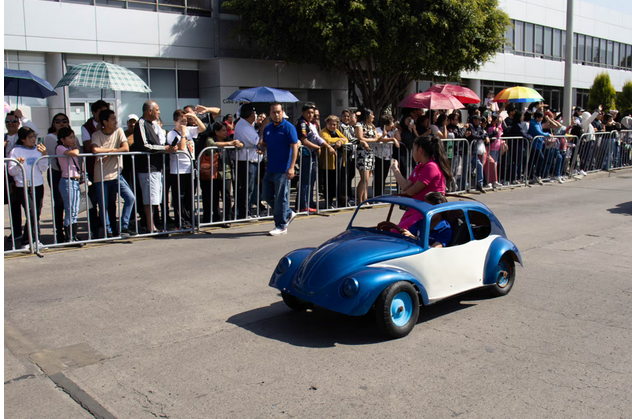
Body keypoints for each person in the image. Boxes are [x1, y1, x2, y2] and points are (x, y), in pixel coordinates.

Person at [389, 136, 453, 231]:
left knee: (398, 232)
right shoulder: (420, 166)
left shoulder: (431, 167)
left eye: (414, 148)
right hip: (416, 208)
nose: (412, 151)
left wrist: (407, 190)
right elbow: (405, 186)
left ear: (420, 150)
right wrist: (395, 169)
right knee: (394, 231)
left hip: (427, 210)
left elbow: (412, 191)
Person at [132, 100, 176, 233]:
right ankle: (151, 226)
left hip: (156, 167)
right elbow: (145, 145)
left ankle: (152, 224)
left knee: (155, 198)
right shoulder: (141, 123)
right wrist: (164, 149)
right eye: (157, 110)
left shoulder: (152, 125)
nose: (159, 112)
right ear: (149, 111)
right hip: (147, 167)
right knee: (149, 198)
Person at [91, 109, 137, 237]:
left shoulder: (119, 131)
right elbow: (95, 149)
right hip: (101, 176)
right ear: (105, 122)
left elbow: (125, 148)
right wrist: (112, 150)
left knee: (130, 197)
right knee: (104, 205)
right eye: (112, 119)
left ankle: (124, 226)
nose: (116, 121)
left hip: (117, 174)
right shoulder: (96, 135)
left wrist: (107, 151)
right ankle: (108, 231)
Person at [259, 102, 299, 236]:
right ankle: (288, 213)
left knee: (281, 198)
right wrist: (260, 147)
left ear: (282, 112)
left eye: (279, 112)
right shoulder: (268, 128)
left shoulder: (289, 127)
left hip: (283, 169)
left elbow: (295, 147)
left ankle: (281, 225)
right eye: (274, 112)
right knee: (266, 196)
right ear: (270, 114)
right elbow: (265, 143)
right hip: (270, 168)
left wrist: (291, 167)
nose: (276, 114)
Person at [7, 127, 49, 249]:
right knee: (31, 213)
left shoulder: (38, 150)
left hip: (38, 185)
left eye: (33, 137)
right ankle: (29, 241)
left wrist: (44, 155)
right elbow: (11, 171)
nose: (33, 140)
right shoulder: (16, 151)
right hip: (24, 185)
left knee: (36, 214)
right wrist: (18, 165)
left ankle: (32, 240)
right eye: (30, 137)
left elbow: (43, 168)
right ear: (22, 139)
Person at [4, 110, 40, 246]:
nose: (10, 124)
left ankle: (28, 235)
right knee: (13, 205)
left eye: (13, 121)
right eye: (7, 121)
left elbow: (35, 132)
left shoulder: (23, 136)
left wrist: (22, 117)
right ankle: (17, 231)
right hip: (9, 173)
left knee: (30, 208)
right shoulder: (4, 137)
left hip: (22, 174)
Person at [198, 122, 243, 224]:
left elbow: (240, 145)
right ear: (216, 131)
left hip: (226, 172)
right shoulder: (211, 139)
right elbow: (212, 145)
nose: (225, 132)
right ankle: (215, 217)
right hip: (212, 173)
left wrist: (239, 144)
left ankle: (227, 218)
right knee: (213, 197)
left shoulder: (228, 139)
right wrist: (229, 144)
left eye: (226, 130)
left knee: (227, 196)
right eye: (223, 130)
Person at [294, 102, 334, 213]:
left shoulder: (310, 124)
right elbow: (304, 140)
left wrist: (327, 146)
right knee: (305, 182)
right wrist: (317, 148)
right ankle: (303, 205)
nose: (311, 115)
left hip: (311, 155)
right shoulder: (302, 123)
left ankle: (308, 202)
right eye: (309, 113)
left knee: (311, 181)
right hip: (306, 155)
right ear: (303, 113)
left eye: (313, 113)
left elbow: (317, 137)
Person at [167, 109, 203, 229]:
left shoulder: (188, 130)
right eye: (181, 121)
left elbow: (202, 128)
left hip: (189, 168)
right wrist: (182, 133)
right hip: (178, 169)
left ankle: (189, 219)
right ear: (175, 121)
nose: (184, 124)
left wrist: (194, 117)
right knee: (179, 197)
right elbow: (181, 147)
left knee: (189, 196)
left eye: (185, 121)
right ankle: (180, 221)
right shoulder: (171, 134)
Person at [377, 192, 452, 247]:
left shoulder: (444, 229)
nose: (426, 211)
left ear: (439, 210)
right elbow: (408, 236)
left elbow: (434, 249)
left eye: (430, 208)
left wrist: (414, 238)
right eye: (425, 208)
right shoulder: (421, 223)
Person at [44, 113, 73, 243]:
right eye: (58, 121)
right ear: (53, 124)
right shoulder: (50, 137)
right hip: (57, 172)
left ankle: (70, 230)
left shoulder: (72, 136)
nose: (61, 123)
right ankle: (59, 231)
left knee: (71, 203)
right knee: (59, 202)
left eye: (64, 120)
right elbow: (57, 153)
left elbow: (76, 151)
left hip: (70, 172)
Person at [234, 104, 263, 220]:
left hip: (250, 160)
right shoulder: (244, 126)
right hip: (246, 161)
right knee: (247, 189)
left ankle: (245, 211)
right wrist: (263, 128)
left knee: (249, 188)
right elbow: (258, 142)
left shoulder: (246, 125)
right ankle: (244, 212)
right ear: (251, 114)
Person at [55, 127, 83, 243]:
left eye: (73, 137)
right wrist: (75, 147)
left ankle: (74, 234)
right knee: (70, 209)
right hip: (67, 181)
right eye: (70, 137)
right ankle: (69, 236)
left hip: (75, 180)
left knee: (75, 209)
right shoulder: (60, 148)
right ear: (62, 139)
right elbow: (75, 152)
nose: (73, 139)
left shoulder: (70, 148)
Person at [319, 115, 349, 208]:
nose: (332, 126)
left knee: (339, 181)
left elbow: (346, 139)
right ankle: (329, 203)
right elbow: (327, 140)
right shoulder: (323, 131)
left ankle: (340, 201)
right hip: (329, 161)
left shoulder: (337, 131)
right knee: (330, 182)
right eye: (330, 124)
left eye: (334, 124)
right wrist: (339, 140)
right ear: (326, 123)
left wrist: (340, 141)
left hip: (339, 159)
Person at [354, 108, 382, 203]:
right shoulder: (359, 125)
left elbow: (377, 137)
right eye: (371, 115)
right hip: (362, 153)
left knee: (367, 178)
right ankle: (360, 199)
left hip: (371, 153)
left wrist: (373, 139)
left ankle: (365, 199)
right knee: (364, 178)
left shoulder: (372, 126)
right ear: (366, 116)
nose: (373, 117)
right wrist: (373, 140)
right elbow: (360, 138)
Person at [374, 115, 401, 196]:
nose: (392, 125)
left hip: (388, 156)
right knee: (378, 176)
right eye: (391, 124)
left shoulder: (392, 131)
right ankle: (376, 194)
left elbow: (399, 138)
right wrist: (392, 139)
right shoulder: (379, 130)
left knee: (384, 176)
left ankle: (381, 193)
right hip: (378, 156)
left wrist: (396, 129)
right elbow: (380, 139)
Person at [465, 115, 489, 193]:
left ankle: (479, 184)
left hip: (474, 151)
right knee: (466, 169)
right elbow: (473, 135)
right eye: (479, 120)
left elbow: (484, 134)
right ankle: (465, 185)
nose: (480, 122)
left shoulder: (479, 127)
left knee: (479, 165)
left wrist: (484, 137)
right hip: (468, 150)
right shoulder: (470, 126)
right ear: (475, 120)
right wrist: (481, 137)